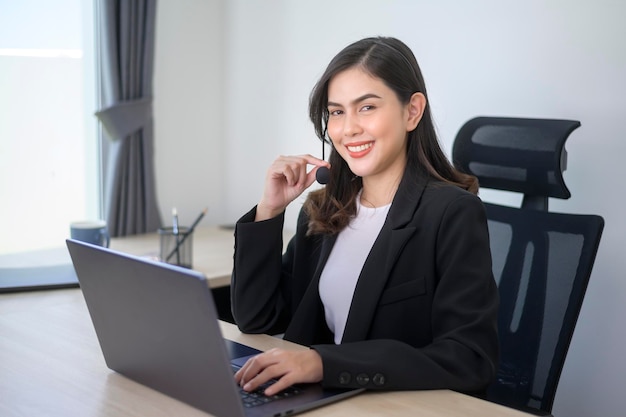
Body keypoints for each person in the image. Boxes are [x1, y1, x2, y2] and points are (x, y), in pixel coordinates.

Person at [231, 36, 499, 398]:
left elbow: (468, 359)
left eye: (367, 107)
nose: (349, 128)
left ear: (412, 111)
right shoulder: (324, 210)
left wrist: (325, 364)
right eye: (337, 112)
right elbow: (257, 318)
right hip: (324, 402)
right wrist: (269, 210)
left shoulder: (452, 214)